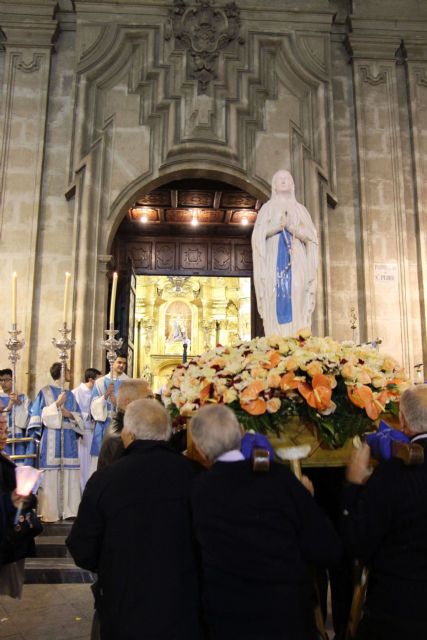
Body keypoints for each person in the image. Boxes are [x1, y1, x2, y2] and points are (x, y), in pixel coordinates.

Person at [190, 404, 342, 640]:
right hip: (288, 619)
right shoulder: (279, 479)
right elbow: (327, 549)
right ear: (241, 432)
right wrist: (306, 502)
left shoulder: (199, 491)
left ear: (199, 450)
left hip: (228, 623)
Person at [66, 399, 203, 640]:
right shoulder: (196, 475)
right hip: (185, 605)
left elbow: (83, 549)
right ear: (168, 432)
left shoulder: (104, 480)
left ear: (128, 434)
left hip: (124, 606)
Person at [341, 384, 427, 640]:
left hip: (398, 616)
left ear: (402, 420)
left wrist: (352, 487)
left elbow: (357, 543)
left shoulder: (394, 474)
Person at [252, 169, 318, 336]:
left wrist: (292, 228)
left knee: (298, 291)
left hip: (297, 262)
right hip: (273, 259)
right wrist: (276, 228)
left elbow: (312, 238)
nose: (283, 181)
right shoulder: (267, 209)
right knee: (273, 294)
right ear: (274, 185)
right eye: (280, 179)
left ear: (292, 185)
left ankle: (297, 336)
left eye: (287, 178)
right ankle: (276, 338)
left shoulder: (301, 210)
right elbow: (257, 235)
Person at [27, 363, 84, 522]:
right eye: (68, 371)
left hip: (68, 441)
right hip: (51, 440)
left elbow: (79, 418)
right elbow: (39, 416)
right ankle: (51, 512)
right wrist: (56, 404)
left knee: (69, 472)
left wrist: (70, 415)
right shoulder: (44, 392)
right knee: (51, 474)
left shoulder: (71, 395)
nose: (70, 374)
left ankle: (69, 510)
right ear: (61, 372)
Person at [0, 412, 38, 598]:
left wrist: (27, 496)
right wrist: (10, 500)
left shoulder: (5, 459)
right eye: (0, 428)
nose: (4, 433)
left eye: (5, 428)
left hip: (9, 542)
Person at [97, 379, 153, 471]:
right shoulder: (119, 437)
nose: (153, 404)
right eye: (148, 398)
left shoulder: (130, 426)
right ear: (128, 403)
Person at [89, 353, 128, 472]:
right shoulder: (100, 382)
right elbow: (92, 407)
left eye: (124, 363)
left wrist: (118, 404)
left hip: (121, 426)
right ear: (113, 363)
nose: (122, 365)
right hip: (103, 426)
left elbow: (133, 406)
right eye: (119, 362)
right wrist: (105, 396)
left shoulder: (129, 383)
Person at [72, 367, 101, 493]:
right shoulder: (76, 392)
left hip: (95, 432)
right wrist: (90, 415)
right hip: (83, 433)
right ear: (91, 380)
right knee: (83, 465)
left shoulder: (98, 393)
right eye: (99, 381)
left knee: (92, 465)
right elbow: (74, 413)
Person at [0, 368, 32, 464]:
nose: (3, 383)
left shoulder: (22, 398)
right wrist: (8, 408)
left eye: (6, 380)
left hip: (18, 437)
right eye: (1, 380)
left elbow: (27, 421)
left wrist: (19, 403)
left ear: (13, 380)